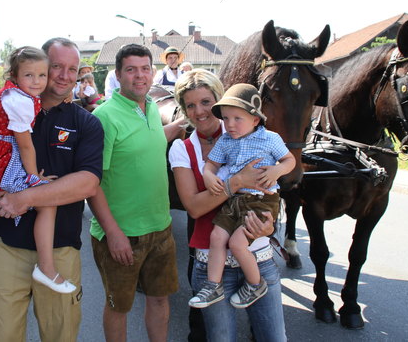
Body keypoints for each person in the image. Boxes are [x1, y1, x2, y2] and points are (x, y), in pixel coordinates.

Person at [0, 38, 116, 341]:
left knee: (60, 335)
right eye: (56, 67)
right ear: (38, 67)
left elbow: (87, 183)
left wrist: (25, 197)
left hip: (61, 249)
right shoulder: (12, 109)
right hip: (6, 244)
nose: (65, 75)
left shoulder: (86, 123)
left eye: (73, 69)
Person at [169, 69, 288, 341]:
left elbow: (273, 186)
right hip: (211, 264)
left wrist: (269, 224)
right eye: (190, 105)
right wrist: (237, 181)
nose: (199, 111)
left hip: (258, 257)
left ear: (219, 101)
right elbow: (195, 208)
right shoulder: (182, 149)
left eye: (206, 102)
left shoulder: (251, 131)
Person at [0, 46, 76, 294]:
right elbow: (25, 146)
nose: (36, 81)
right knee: (47, 199)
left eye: (42, 75)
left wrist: (65, 96)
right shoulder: (20, 102)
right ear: (15, 76)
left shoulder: (13, 93)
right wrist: (35, 179)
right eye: (29, 76)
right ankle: (46, 269)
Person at [89, 43, 179, 342]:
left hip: (161, 228)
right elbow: (92, 182)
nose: (139, 76)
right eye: (131, 70)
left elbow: (149, 141)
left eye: (144, 69)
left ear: (152, 73)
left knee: (159, 300)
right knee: (119, 308)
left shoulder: (152, 107)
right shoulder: (105, 117)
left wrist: (179, 126)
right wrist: (112, 232)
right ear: (118, 75)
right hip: (122, 234)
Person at [190, 83, 295, 309]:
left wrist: (277, 170)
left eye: (237, 118)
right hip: (235, 199)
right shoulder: (225, 141)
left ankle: (255, 283)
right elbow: (211, 164)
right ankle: (212, 285)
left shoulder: (270, 138)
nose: (229, 124)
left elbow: (290, 161)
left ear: (255, 120)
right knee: (217, 236)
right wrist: (209, 176)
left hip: (261, 200)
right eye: (226, 119)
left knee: (238, 243)